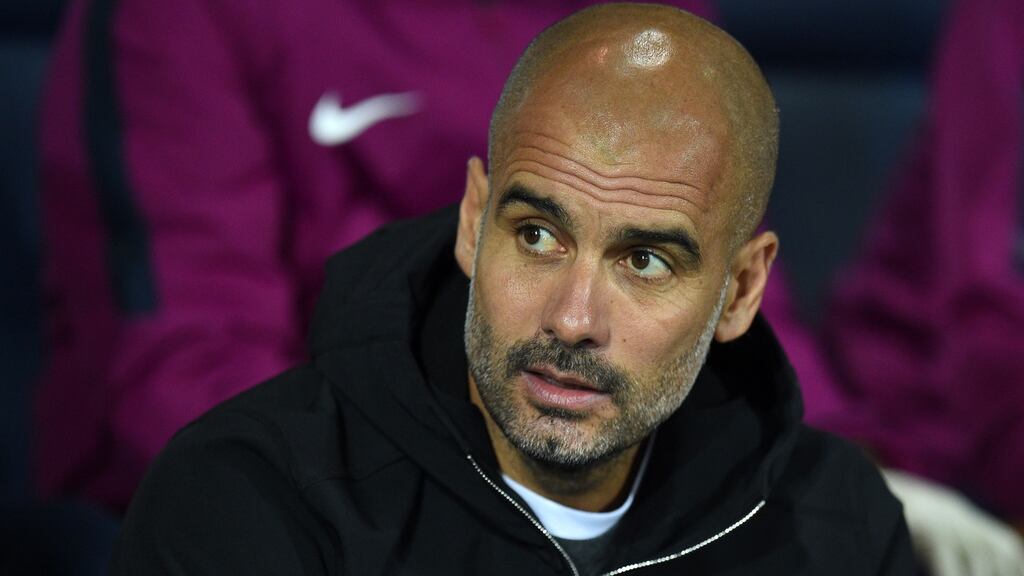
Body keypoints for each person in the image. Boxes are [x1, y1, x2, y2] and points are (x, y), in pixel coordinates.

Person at [111, 5, 915, 574]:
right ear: (472, 221)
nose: (572, 319)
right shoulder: (248, 504)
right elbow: (182, 335)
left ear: (741, 292)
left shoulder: (837, 528)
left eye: (644, 261)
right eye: (536, 236)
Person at [36, 0, 712, 515]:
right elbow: (186, 365)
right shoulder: (183, 17)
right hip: (297, 508)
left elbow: (718, 294)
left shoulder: (652, 24)